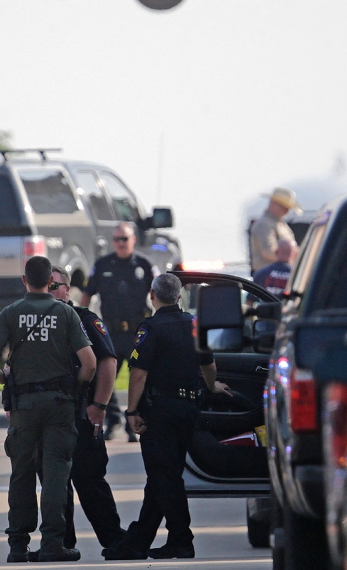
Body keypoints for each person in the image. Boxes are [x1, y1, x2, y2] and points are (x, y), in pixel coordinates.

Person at [0, 256, 96, 563]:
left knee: (21, 473)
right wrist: (77, 387)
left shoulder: (10, 313)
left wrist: (5, 380)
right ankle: (53, 543)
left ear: (24, 280)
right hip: (60, 403)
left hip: (24, 406)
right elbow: (90, 363)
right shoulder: (66, 314)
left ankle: (18, 544)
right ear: (52, 282)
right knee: (57, 471)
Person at [104, 273, 229, 561]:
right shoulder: (195, 325)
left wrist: (132, 411)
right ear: (179, 296)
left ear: (152, 295)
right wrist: (213, 387)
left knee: (165, 477)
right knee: (164, 477)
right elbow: (209, 364)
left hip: (159, 411)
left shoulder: (151, 328)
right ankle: (137, 543)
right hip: (188, 409)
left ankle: (181, 540)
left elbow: (139, 375)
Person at [30, 266, 126, 559]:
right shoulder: (34, 324)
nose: (50, 291)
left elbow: (108, 362)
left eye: (55, 285)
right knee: (54, 482)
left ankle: (115, 541)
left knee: (89, 478)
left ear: (67, 290)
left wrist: (99, 406)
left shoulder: (85, 320)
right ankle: (60, 543)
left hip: (81, 414)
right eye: (45, 286)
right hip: (46, 416)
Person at [80, 222, 157, 438]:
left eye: (125, 239)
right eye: (117, 239)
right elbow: (87, 294)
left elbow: (158, 293)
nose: (121, 243)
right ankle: (113, 418)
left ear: (133, 239)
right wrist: (78, 322)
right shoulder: (103, 264)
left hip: (137, 333)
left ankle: (134, 423)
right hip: (110, 332)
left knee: (139, 376)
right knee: (104, 374)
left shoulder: (144, 264)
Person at [249, 188, 297, 273]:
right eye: (285, 207)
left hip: (279, 274)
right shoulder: (264, 224)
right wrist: (296, 255)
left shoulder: (281, 224)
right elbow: (268, 252)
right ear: (274, 204)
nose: (287, 211)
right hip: (267, 277)